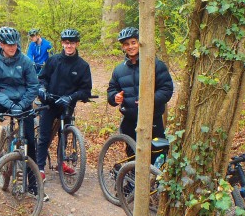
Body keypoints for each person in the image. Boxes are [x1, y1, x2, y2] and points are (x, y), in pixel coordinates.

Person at [0, 27, 42, 196]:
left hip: (22, 101)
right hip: (2, 100)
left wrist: (22, 103)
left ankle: (34, 184)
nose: (12, 47)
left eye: (14, 44)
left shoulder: (25, 61)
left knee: (30, 140)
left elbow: (33, 85)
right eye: (7, 44)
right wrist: (10, 105)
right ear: (1, 44)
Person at [107, 27, 173, 161]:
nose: (130, 46)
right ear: (123, 47)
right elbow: (111, 90)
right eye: (126, 44)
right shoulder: (119, 70)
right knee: (133, 156)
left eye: (133, 42)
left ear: (140, 43)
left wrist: (149, 100)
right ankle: (131, 181)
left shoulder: (155, 65)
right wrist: (115, 97)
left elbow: (166, 90)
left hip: (152, 120)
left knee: (157, 155)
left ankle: (155, 181)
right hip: (130, 121)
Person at [36, 29, 92, 184]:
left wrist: (71, 97)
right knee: (44, 136)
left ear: (77, 44)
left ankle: (61, 163)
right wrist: (42, 90)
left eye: (72, 43)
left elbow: (86, 90)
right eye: (66, 43)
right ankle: (39, 167)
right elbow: (42, 78)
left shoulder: (82, 66)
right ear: (62, 43)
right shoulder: (53, 60)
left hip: (67, 105)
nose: (69, 46)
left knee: (64, 135)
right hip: (50, 103)